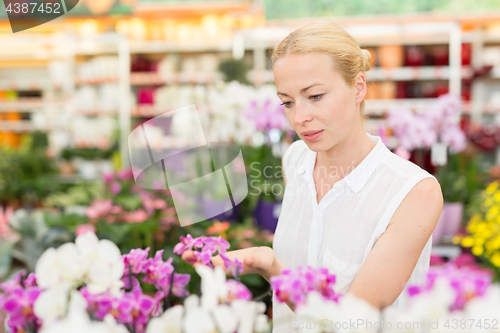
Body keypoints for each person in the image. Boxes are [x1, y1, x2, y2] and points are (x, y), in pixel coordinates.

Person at [183, 19, 443, 332]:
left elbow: (351, 321)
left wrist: (273, 269)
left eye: (316, 96)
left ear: (358, 87)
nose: (300, 117)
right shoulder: (296, 161)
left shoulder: (412, 192)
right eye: (287, 102)